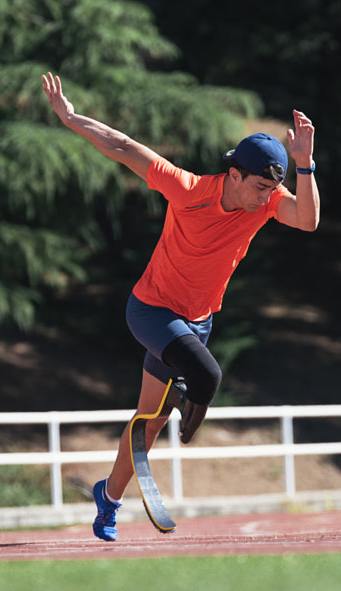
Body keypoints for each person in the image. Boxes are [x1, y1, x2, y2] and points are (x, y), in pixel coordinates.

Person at [41, 72, 320, 541]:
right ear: (233, 175)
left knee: (146, 427)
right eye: (257, 187)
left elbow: (308, 220)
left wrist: (306, 165)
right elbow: (123, 146)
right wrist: (70, 118)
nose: (265, 197)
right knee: (207, 375)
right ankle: (190, 389)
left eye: (272, 190)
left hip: (197, 322)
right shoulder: (188, 190)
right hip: (151, 310)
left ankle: (107, 499)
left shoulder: (267, 205)